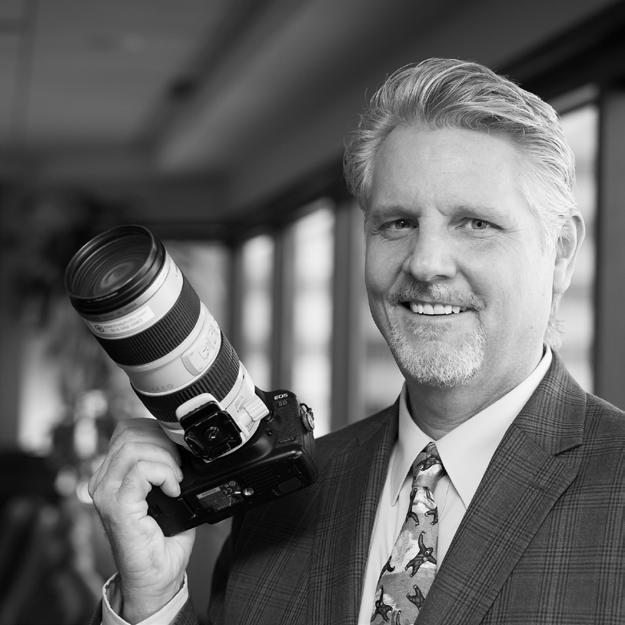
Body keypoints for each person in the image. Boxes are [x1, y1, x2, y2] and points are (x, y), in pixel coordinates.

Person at [90, 58, 624, 625]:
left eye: (475, 223)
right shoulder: (287, 496)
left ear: (560, 253)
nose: (426, 263)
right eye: (398, 223)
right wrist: (151, 599)